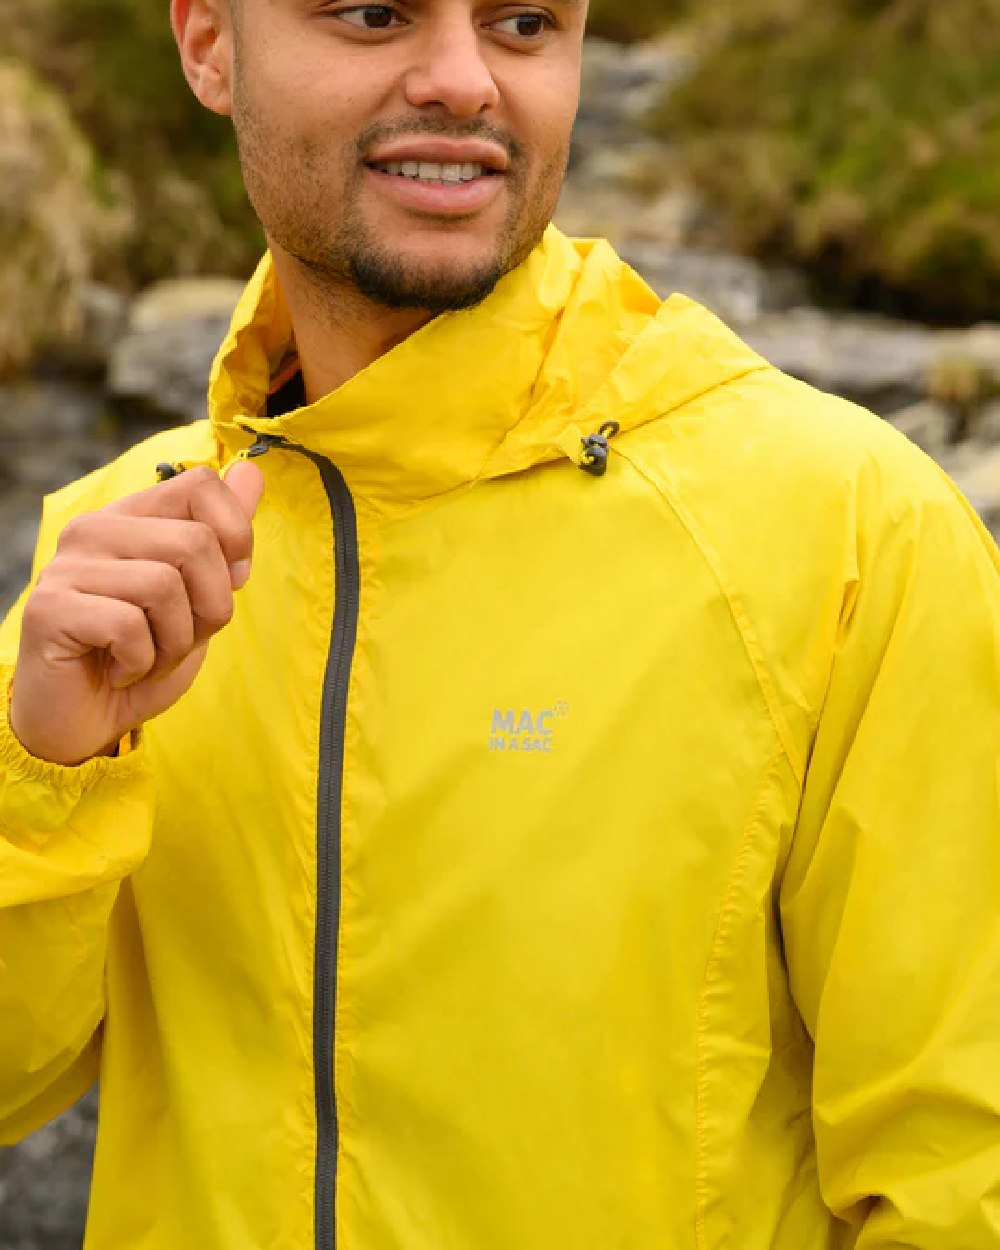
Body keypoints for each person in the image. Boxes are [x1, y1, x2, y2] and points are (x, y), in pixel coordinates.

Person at [1, 0, 998, 1246]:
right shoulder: (110, 561)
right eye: (375, 14)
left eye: (524, 23)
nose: (467, 81)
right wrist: (48, 773)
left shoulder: (853, 527)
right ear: (208, 44)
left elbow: (960, 1175)